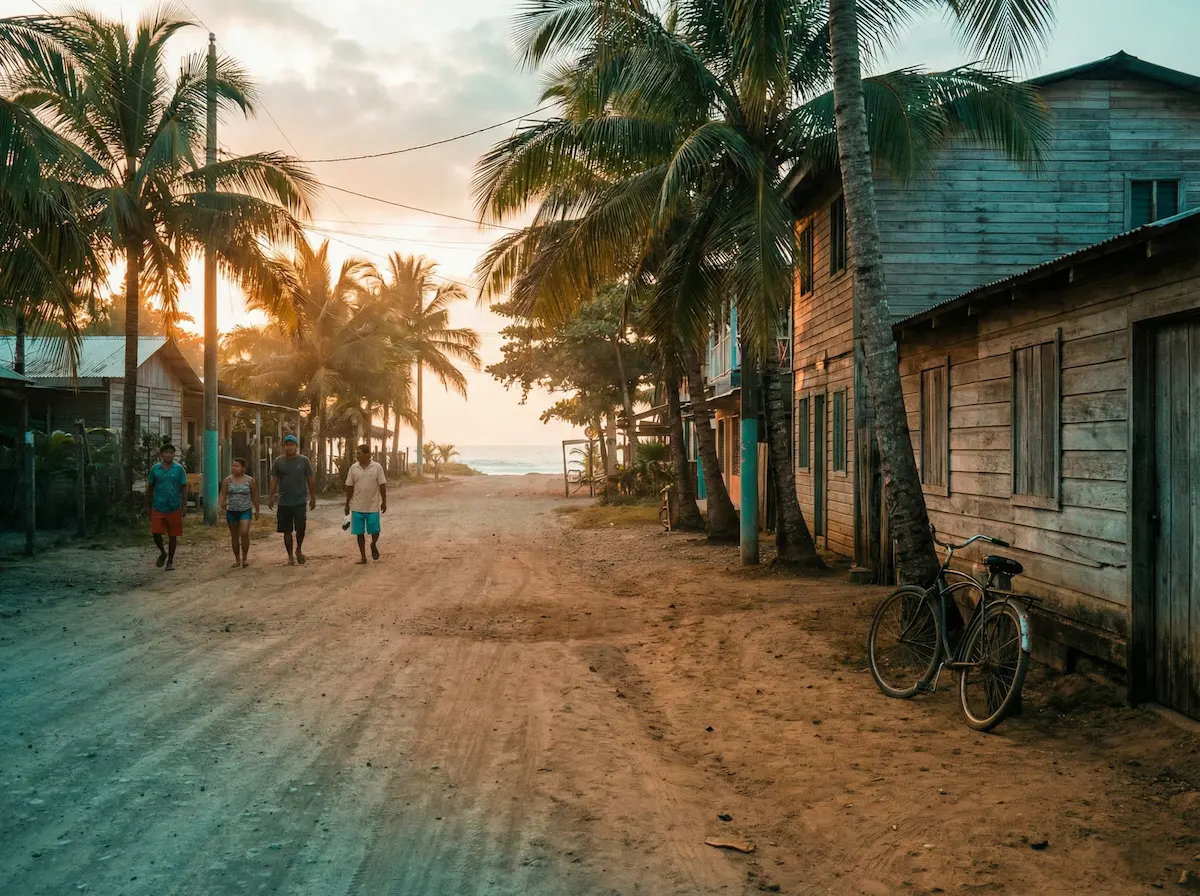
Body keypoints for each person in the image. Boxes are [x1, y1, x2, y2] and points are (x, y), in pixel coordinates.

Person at [268, 434, 316, 565]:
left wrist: (312, 497)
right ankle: (290, 557)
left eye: (291, 445)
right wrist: (271, 496)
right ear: (284, 446)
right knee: (286, 530)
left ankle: (298, 549)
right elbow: (274, 480)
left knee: (301, 527)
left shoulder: (304, 460)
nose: (289, 447)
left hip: (300, 501)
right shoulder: (278, 461)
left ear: (296, 446)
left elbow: (310, 479)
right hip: (284, 502)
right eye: (287, 445)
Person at [145, 442, 188, 571]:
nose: (169, 455)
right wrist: (146, 505)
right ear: (161, 455)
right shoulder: (155, 469)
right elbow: (150, 487)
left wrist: (184, 505)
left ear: (174, 455)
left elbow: (184, 487)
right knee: (156, 532)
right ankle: (163, 552)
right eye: (166, 452)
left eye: (171, 452)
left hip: (174, 506)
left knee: (173, 535)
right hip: (158, 505)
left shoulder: (179, 469)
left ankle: (170, 561)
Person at [345, 444, 387, 564]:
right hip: (357, 506)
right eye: (356, 453)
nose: (357, 456)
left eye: (359, 453)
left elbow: (382, 485)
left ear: (368, 454)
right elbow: (349, 486)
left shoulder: (377, 467)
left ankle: (373, 544)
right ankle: (363, 557)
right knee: (359, 533)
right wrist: (347, 504)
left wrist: (384, 501)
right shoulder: (353, 468)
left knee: (375, 530)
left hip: (372, 505)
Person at [218, 457, 260, 568]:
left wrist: (257, 509)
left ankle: (245, 558)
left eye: (237, 466)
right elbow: (222, 494)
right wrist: (219, 506)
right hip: (231, 511)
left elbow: (255, 495)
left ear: (243, 468)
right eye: (233, 466)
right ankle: (237, 559)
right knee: (234, 536)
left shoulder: (250, 480)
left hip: (245, 510)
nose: (234, 468)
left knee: (244, 533)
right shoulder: (228, 480)